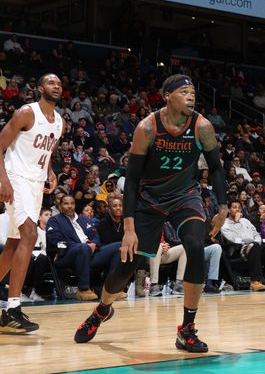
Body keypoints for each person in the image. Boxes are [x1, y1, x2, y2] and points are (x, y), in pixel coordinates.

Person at [73, 74, 229, 352]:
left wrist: (223, 206)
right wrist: (129, 229)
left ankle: (187, 329)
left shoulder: (202, 126)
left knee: (195, 246)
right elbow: (131, 180)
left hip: (185, 196)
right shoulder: (147, 128)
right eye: (183, 92)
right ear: (166, 96)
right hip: (149, 200)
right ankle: (102, 310)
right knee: (127, 267)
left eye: (193, 92)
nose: (191, 96)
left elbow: (216, 168)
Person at [0, 73, 63, 333]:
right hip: (16, 179)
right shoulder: (26, 113)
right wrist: (3, 180)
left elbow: (46, 152)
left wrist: (49, 171)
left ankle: (9, 311)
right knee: (29, 234)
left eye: (59, 84)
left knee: (14, 245)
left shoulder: (59, 122)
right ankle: (12, 309)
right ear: (39, 88)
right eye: (51, 83)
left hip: (36, 184)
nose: (56, 86)